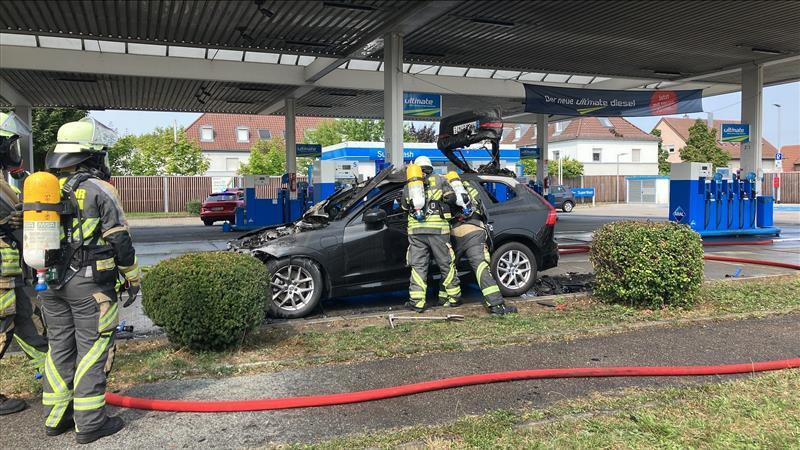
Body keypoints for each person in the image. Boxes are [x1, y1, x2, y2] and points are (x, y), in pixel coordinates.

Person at [40, 118, 140, 444]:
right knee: (94, 349)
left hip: (51, 284)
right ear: (91, 156)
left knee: (58, 349)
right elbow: (119, 240)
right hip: (90, 287)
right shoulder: (99, 189)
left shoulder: (45, 187)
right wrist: (132, 277)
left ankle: (56, 418)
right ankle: (91, 422)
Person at [0, 112, 48, 416]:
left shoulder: (3, 183)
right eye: (9, 144)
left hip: (8, 275)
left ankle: (55, 377)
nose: (13, 151)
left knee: (24, 321)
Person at [446, 172, 517, 315]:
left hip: (455, 233)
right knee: (480, 267)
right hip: (474, 230)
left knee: (448, 266)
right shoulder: (470, 189)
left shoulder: (445, 192)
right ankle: (496, 305)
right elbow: (482, 209)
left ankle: (448, 299)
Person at [401, 156, 460, 312]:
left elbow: (405, 207)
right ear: (430, 166)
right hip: (438, 230)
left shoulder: (410, 185)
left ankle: (417, 301)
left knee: (418, 266)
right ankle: (454, 297)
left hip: (416, 231)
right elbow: (452, 198)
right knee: (446, 264)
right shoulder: (440, 180)